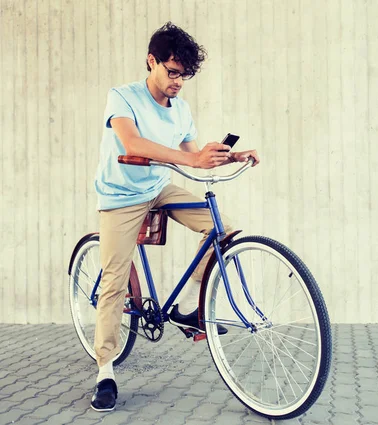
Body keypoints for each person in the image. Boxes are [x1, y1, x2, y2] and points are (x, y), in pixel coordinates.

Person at [91, 22, 260, 412]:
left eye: (184, 74)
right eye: (172, 71)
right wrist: (192, 158)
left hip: (158, 188)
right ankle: (104, 369)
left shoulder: (180, 109)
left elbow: (194, 155)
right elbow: (132, 143)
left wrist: (228, 155)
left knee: (223, 229)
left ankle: (187, 306)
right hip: (120, 195)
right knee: (115, 282)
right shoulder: (123, 98)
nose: (179, 81)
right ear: (152, 61)